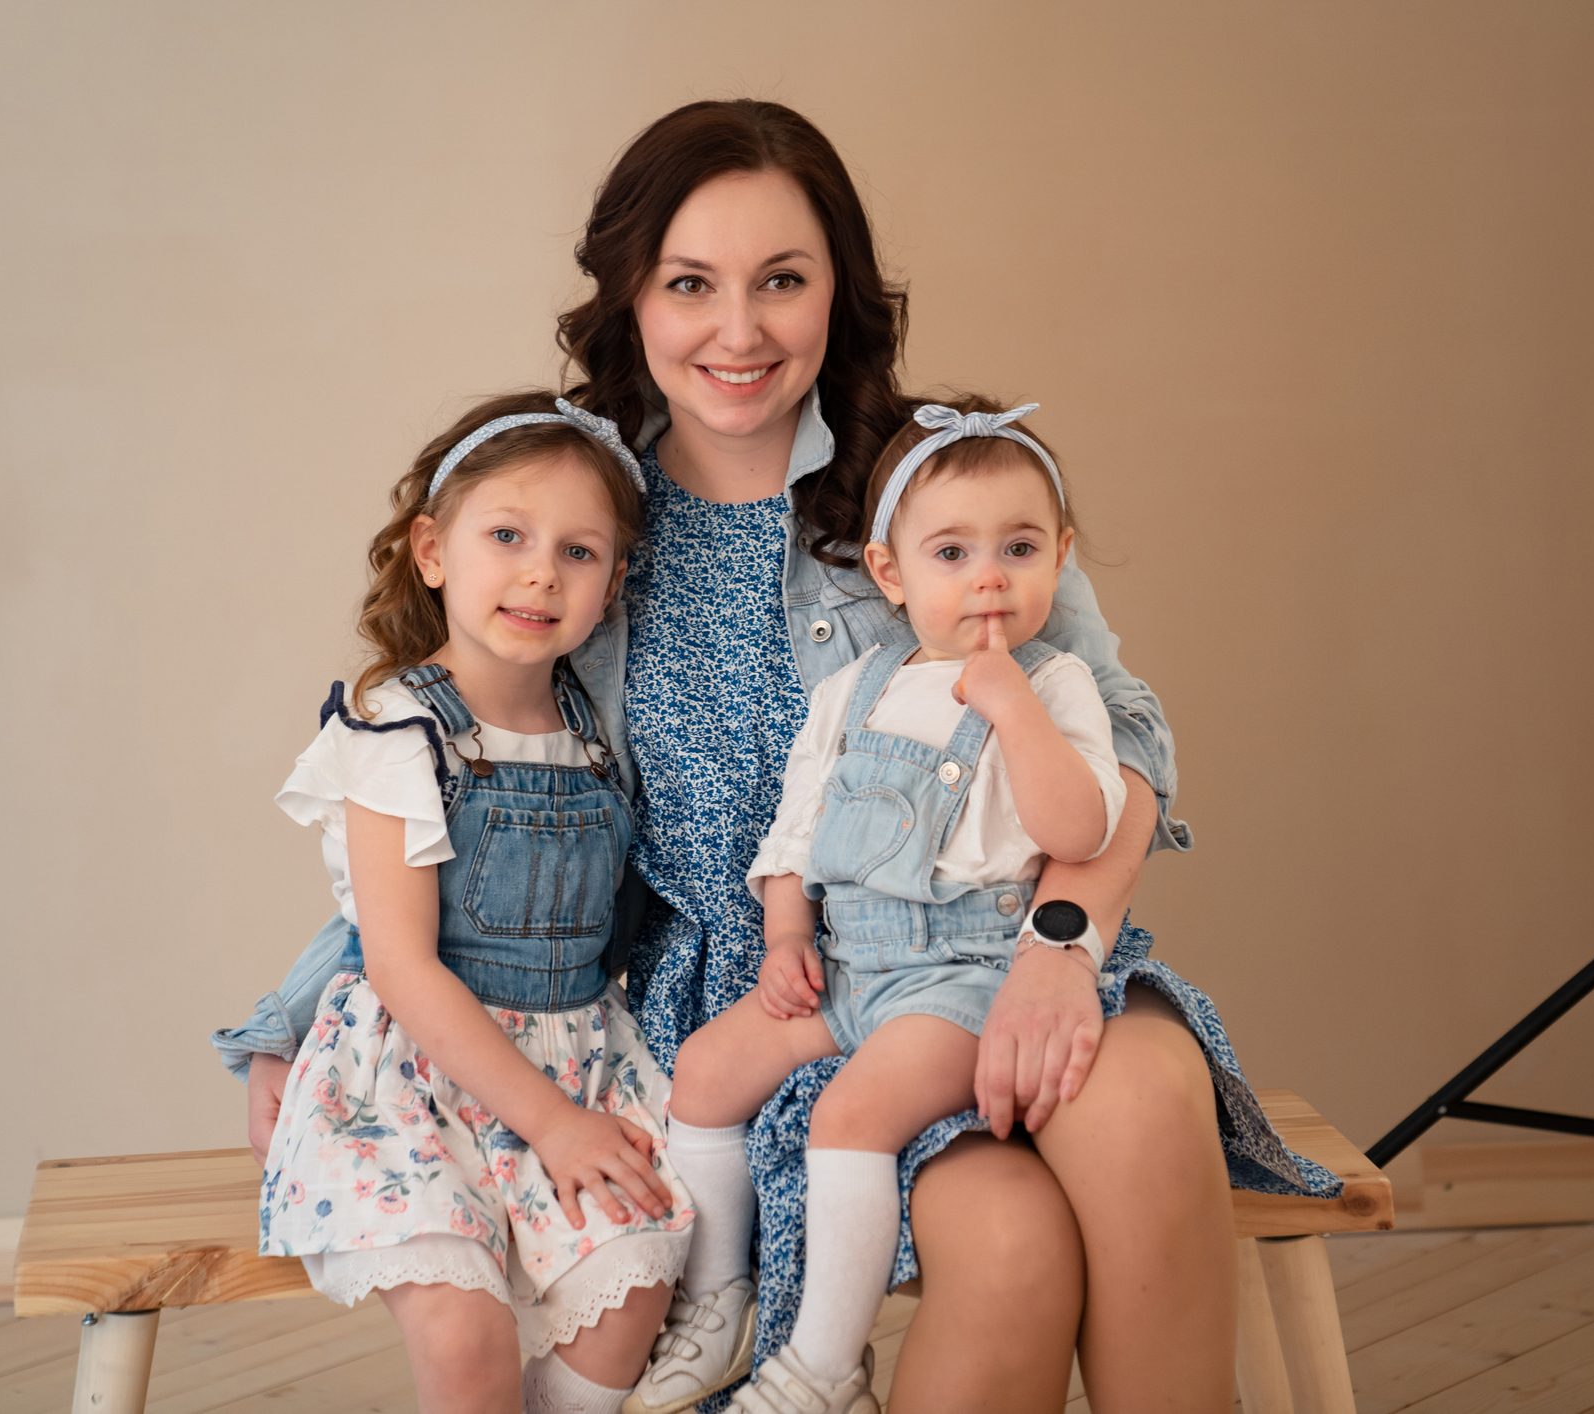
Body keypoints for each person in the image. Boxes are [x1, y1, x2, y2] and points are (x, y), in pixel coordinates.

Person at [217, 101, 1336, 1413]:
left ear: (837, 293)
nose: (738, 331)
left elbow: (1127, 731)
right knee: (1013, 1248)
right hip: (760, 1013)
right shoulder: (575, 519)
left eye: (782, 282)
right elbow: (452, 801)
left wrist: (1062, 942)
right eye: (691, 283)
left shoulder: (940, 479)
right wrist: (293, 1019)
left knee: (1145, 1093)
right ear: (631, 294)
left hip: (989, 944)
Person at [634, 397, 1132, 1414]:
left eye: (1020, 547)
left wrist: (1013, 708)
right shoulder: (852, 690)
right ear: (892, 572)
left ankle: (822, 1365)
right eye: (952, 552)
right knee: (706, 1067)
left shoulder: (1061, 683)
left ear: (1061, 556)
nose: (989, 575)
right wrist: (784, 938)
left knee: (852, 1115)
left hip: (967, 979)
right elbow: (797, 832)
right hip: (854, 968)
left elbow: (1081, 827)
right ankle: (718, 1289)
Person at [255, 391, 695, 1414]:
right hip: (411, 1073)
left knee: (636, 1275)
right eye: (507, 535)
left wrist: (569, 1116)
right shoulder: (396, 733)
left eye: (580, 552)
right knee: (467, 1328)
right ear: (433, 549)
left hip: (575, 1053)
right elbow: (395, 959)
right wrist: (268, 1037)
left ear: (614, 582)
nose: (542, 570)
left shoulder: (598, 728)